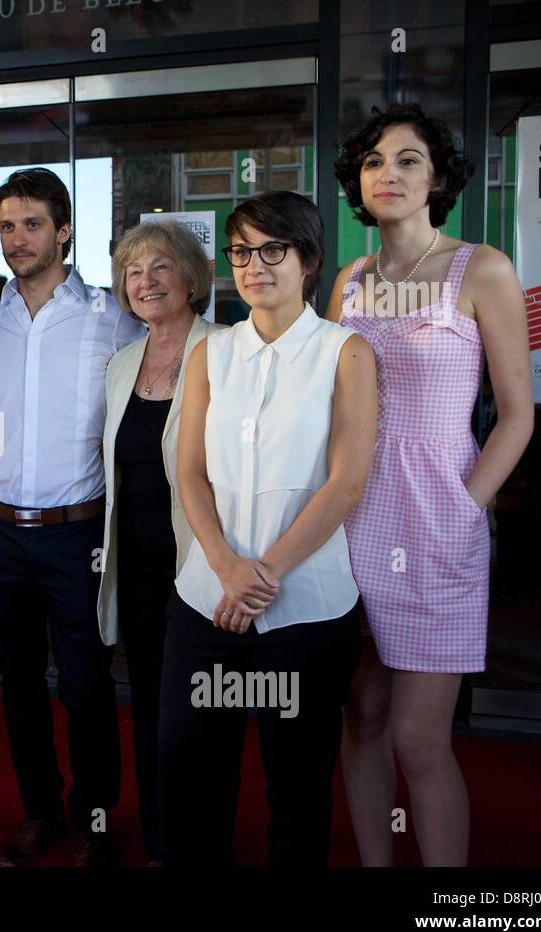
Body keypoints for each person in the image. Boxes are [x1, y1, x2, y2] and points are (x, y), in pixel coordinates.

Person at [328, 103, 534, 867]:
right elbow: (327, 403)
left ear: (437, 177)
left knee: (420, 737)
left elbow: (518, 415)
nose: (389, 173)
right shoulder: (349, 279)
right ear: (359, 180)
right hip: (352, 519)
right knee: (363, 716)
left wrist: (462, 508)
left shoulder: (481, 268)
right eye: (376, 161)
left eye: (409, 159)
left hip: (438, 522)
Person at [163, 190, 377, 866]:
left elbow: (346, 482)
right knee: (193, 764)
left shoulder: (346, 353)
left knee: (298, 780)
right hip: (206, 600)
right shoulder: (211, 354)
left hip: (307, 607)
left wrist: (266, 575)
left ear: (308, 258)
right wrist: (227, 567)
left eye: (272, 250)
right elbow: (189, 473)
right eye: (241, 251)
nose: (254, 265)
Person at [0, 168, 144, 867]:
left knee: (87, 685)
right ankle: (39, 815)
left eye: (32, 224)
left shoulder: (113, 317)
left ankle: (96, 821)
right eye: (7, 226)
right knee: (17, 686)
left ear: (64, 230)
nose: (17, 240)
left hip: (79, 533)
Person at [97, 219, 220, 865]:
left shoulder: (227, 350)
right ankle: (160, 844)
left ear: (191, 276)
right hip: (140, 571)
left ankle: (201, 844)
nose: (145, 282)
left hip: (204, 567)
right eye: (133, 273)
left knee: (202, 715)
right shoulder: (121, 364)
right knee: (148, 710)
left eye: (160, 267)